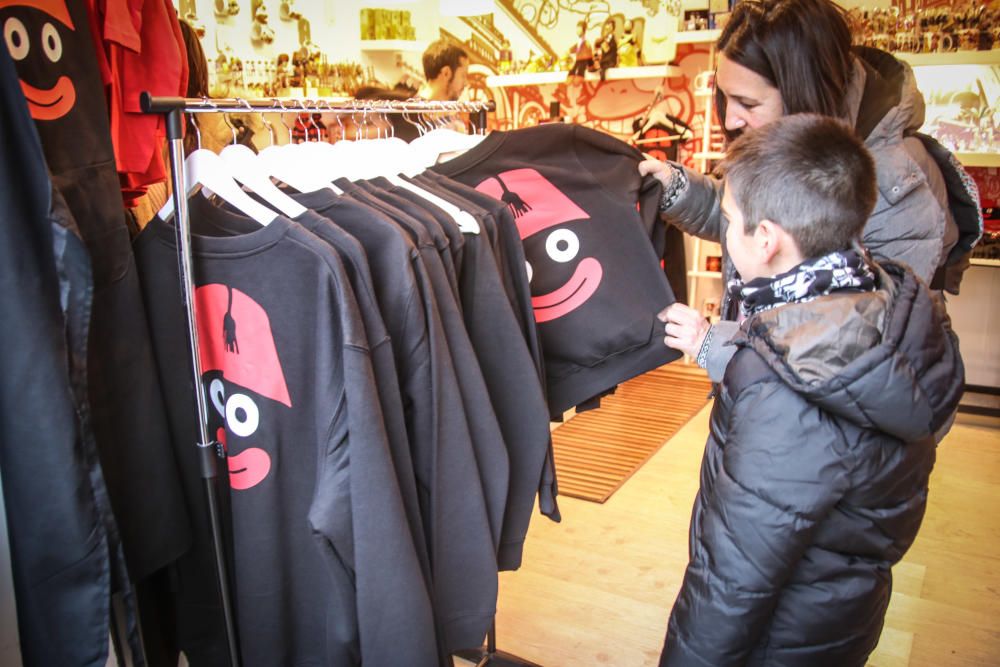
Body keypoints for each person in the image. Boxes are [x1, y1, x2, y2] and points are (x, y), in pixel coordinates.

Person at [657, 113, 964, 667]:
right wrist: (714, 345)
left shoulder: (782, 390)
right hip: (841, 616)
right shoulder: (885, 302)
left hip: (778, 636)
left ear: (767, 240)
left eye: (728, 220)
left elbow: (734, 578)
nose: (725, 232)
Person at [639, 0, 968, 382]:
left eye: (747, 102)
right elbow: (744, 223)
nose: (729, 118)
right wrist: (676, 188)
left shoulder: (895, 189)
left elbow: (854, 357)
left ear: (802, 90)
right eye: (724, 96)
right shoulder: (789, 148)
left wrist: (716, 346)